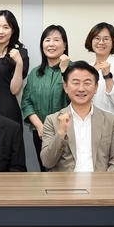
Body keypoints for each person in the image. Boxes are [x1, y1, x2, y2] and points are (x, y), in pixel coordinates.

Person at [40, 61, 114, 172]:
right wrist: (61, 133)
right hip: (65, 182)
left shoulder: (111, 120)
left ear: (96, 87)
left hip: (100, 181)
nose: (81, 89)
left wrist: (103, 180)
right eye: (76, 83)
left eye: (87, 83)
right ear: (65, 87)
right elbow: (47, 162)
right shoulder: (52, 120)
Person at [20, 25, 71, 171]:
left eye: (56, 40)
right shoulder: (35, 73)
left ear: (64, 45)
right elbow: (26, 102)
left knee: (68, 171)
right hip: (41, 134)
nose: (51, 44)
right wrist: (39, 126)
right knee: (46, 171)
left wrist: (65, 71)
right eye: (47, 40)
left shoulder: (75, 70)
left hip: (68, 132)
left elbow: (77, 97)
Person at [85, 22, 114, 156]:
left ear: (113, 42)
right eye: (97, 38)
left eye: (106, 39)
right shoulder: (87, 68)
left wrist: (107, 76)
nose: (101, 42)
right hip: (91, 133)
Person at [0, 10, 28, 125]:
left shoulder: (20, 53)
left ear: (12, 31)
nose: (0, 31)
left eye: (6, 27)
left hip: (7, 111)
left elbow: (15, 90)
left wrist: (19, 63)